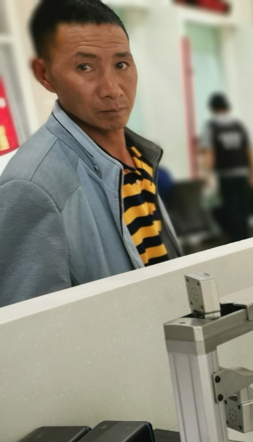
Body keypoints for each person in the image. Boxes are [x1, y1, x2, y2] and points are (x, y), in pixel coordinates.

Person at [0, 0, 181, 309]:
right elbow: (30, 329)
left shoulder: (138, 157)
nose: (112, 89)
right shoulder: (32, 187)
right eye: (85, 67)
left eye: (121, 65)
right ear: (45, 74)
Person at [200, 92, 253, 242]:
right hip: (243, 172)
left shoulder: (212, 126)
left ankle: (237, 241)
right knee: (243, 208)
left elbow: (209, 152)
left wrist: (207, 174)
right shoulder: (238, 125)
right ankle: (247, 240)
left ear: (212, 108)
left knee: (231, 209)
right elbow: (249, 150)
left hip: (226, 174)